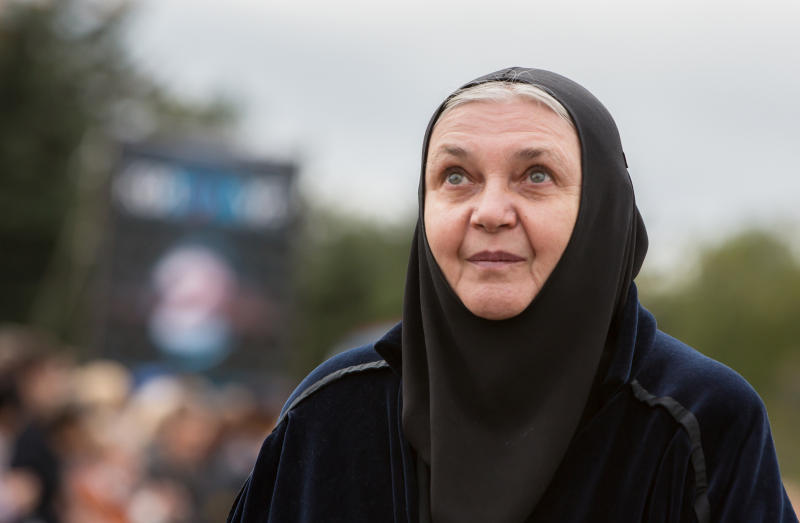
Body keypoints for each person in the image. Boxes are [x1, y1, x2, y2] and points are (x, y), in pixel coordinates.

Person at [228, 68, 798, 522]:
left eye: (536, 175)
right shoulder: (329, 417)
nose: (491, 212)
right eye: (456, 176)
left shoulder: (699, 420)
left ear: (602, 210)